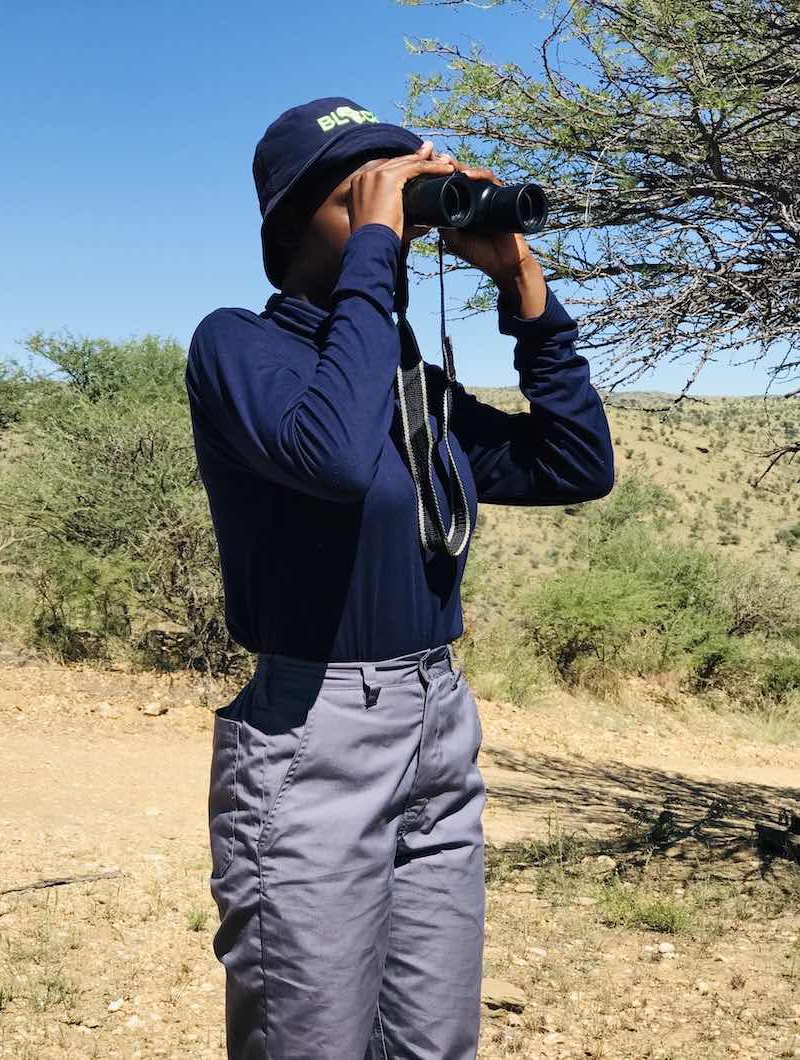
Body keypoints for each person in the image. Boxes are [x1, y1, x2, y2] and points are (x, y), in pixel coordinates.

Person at [184, 95, 615, 1060]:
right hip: (312, 736)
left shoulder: (407, 389)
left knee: (433, 1042)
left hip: (438, 721)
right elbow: (334, 458)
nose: (392, 218)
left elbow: (574, 465)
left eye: (402, 196)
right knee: (312, 1039)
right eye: (360, 197)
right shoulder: (236, 348)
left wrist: (522, 284)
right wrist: (377, 259)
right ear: (295, 224)